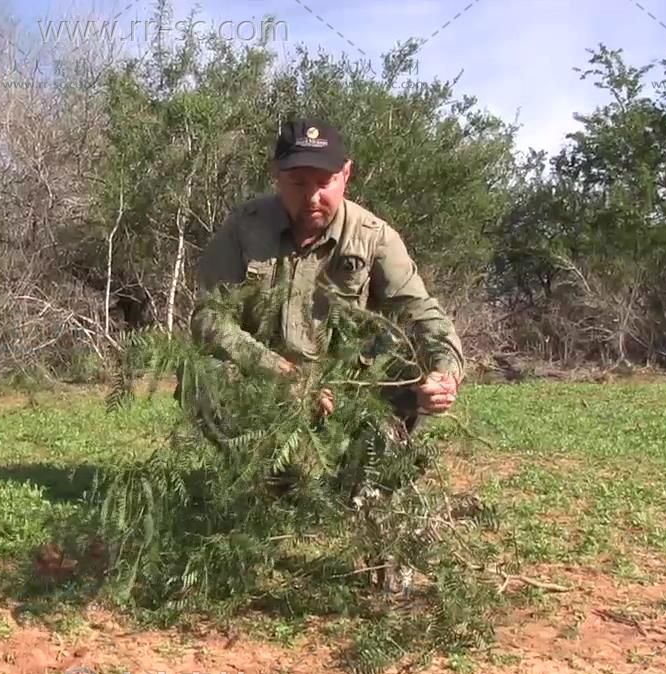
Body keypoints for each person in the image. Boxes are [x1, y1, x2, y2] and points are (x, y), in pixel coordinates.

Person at [188, 118, 464, 437]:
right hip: (265, 383)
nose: (312, 197)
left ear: (345, 174)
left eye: (324, 182)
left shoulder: (374, 238)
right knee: (205, 373)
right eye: (298, 182)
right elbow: (210, 317)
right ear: (275, 174)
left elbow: (422, 313)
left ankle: (371, 479)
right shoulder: (243, 229)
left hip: (346, 387)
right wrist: (281, 375)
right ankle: (244, 467)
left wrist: (445, 372)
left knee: (410, 371)